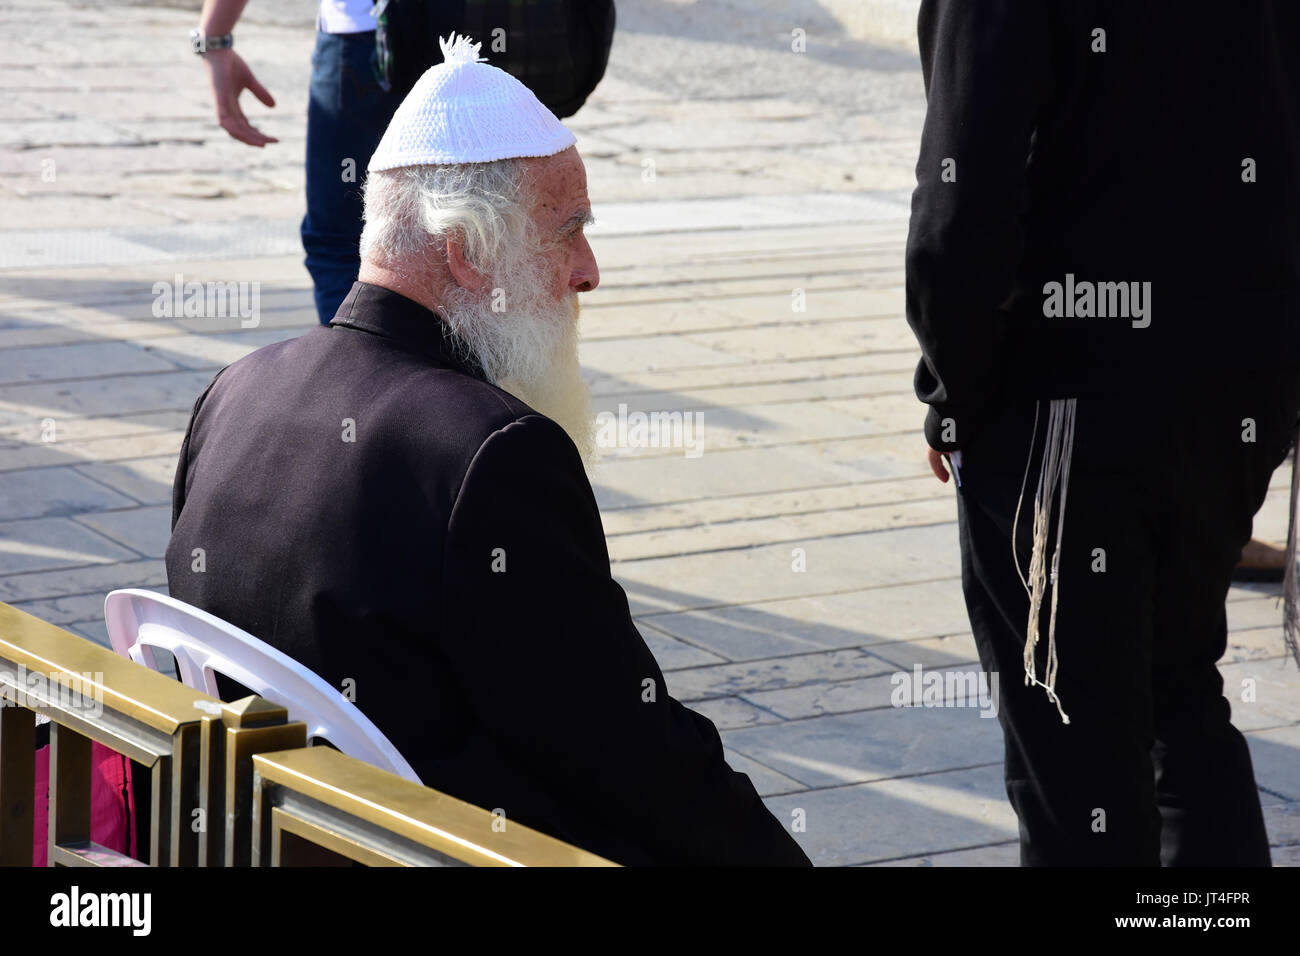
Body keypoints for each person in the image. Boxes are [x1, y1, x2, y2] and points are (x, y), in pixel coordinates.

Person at [167, 34, 810, 867]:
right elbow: (632, 755)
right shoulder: (490, 454)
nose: (589, 271)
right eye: (568, 231)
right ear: (467, 253)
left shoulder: (235, 388)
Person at [906, 0, 1300, 865]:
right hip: (1240, 375)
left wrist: (953, 386)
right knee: (1179, 693)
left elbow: (965, 191)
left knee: (1073, 740)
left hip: (1070, 396)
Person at [194, 0, 614, 326]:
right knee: (514, 233)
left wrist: (215, 36)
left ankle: (374, 398)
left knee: (347, 240)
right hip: (525, 26)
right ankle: (502, 390)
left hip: (375, 36)